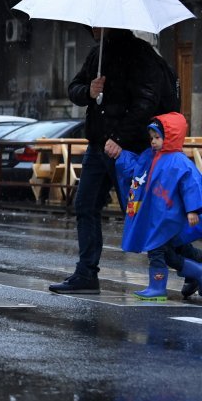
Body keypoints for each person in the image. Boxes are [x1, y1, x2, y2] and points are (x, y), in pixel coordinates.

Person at [50, 27, 164, 294]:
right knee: (85, 205)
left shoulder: (139, 53)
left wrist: (120, 138)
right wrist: (88, 91)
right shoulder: (96, 54)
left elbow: (147, 101)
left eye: (97, 24)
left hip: (128, 152)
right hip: (98, 147)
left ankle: (188, 264)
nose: (92, 28)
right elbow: (74, 89)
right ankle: (86, 274)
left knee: (138, 213)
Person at [114, 113, 202, 300]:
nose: (153, 142)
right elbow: (137, 170)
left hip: (169, 218)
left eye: (158, 137)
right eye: (152, 138)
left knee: (157, 251)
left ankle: (158, 286)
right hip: (158, 218)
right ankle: (196, 273)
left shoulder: (179, 162)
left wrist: (193, 209)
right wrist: (121, 156)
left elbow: (192, 185)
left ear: (170, 136)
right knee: (169, 252)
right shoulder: (152, 156)